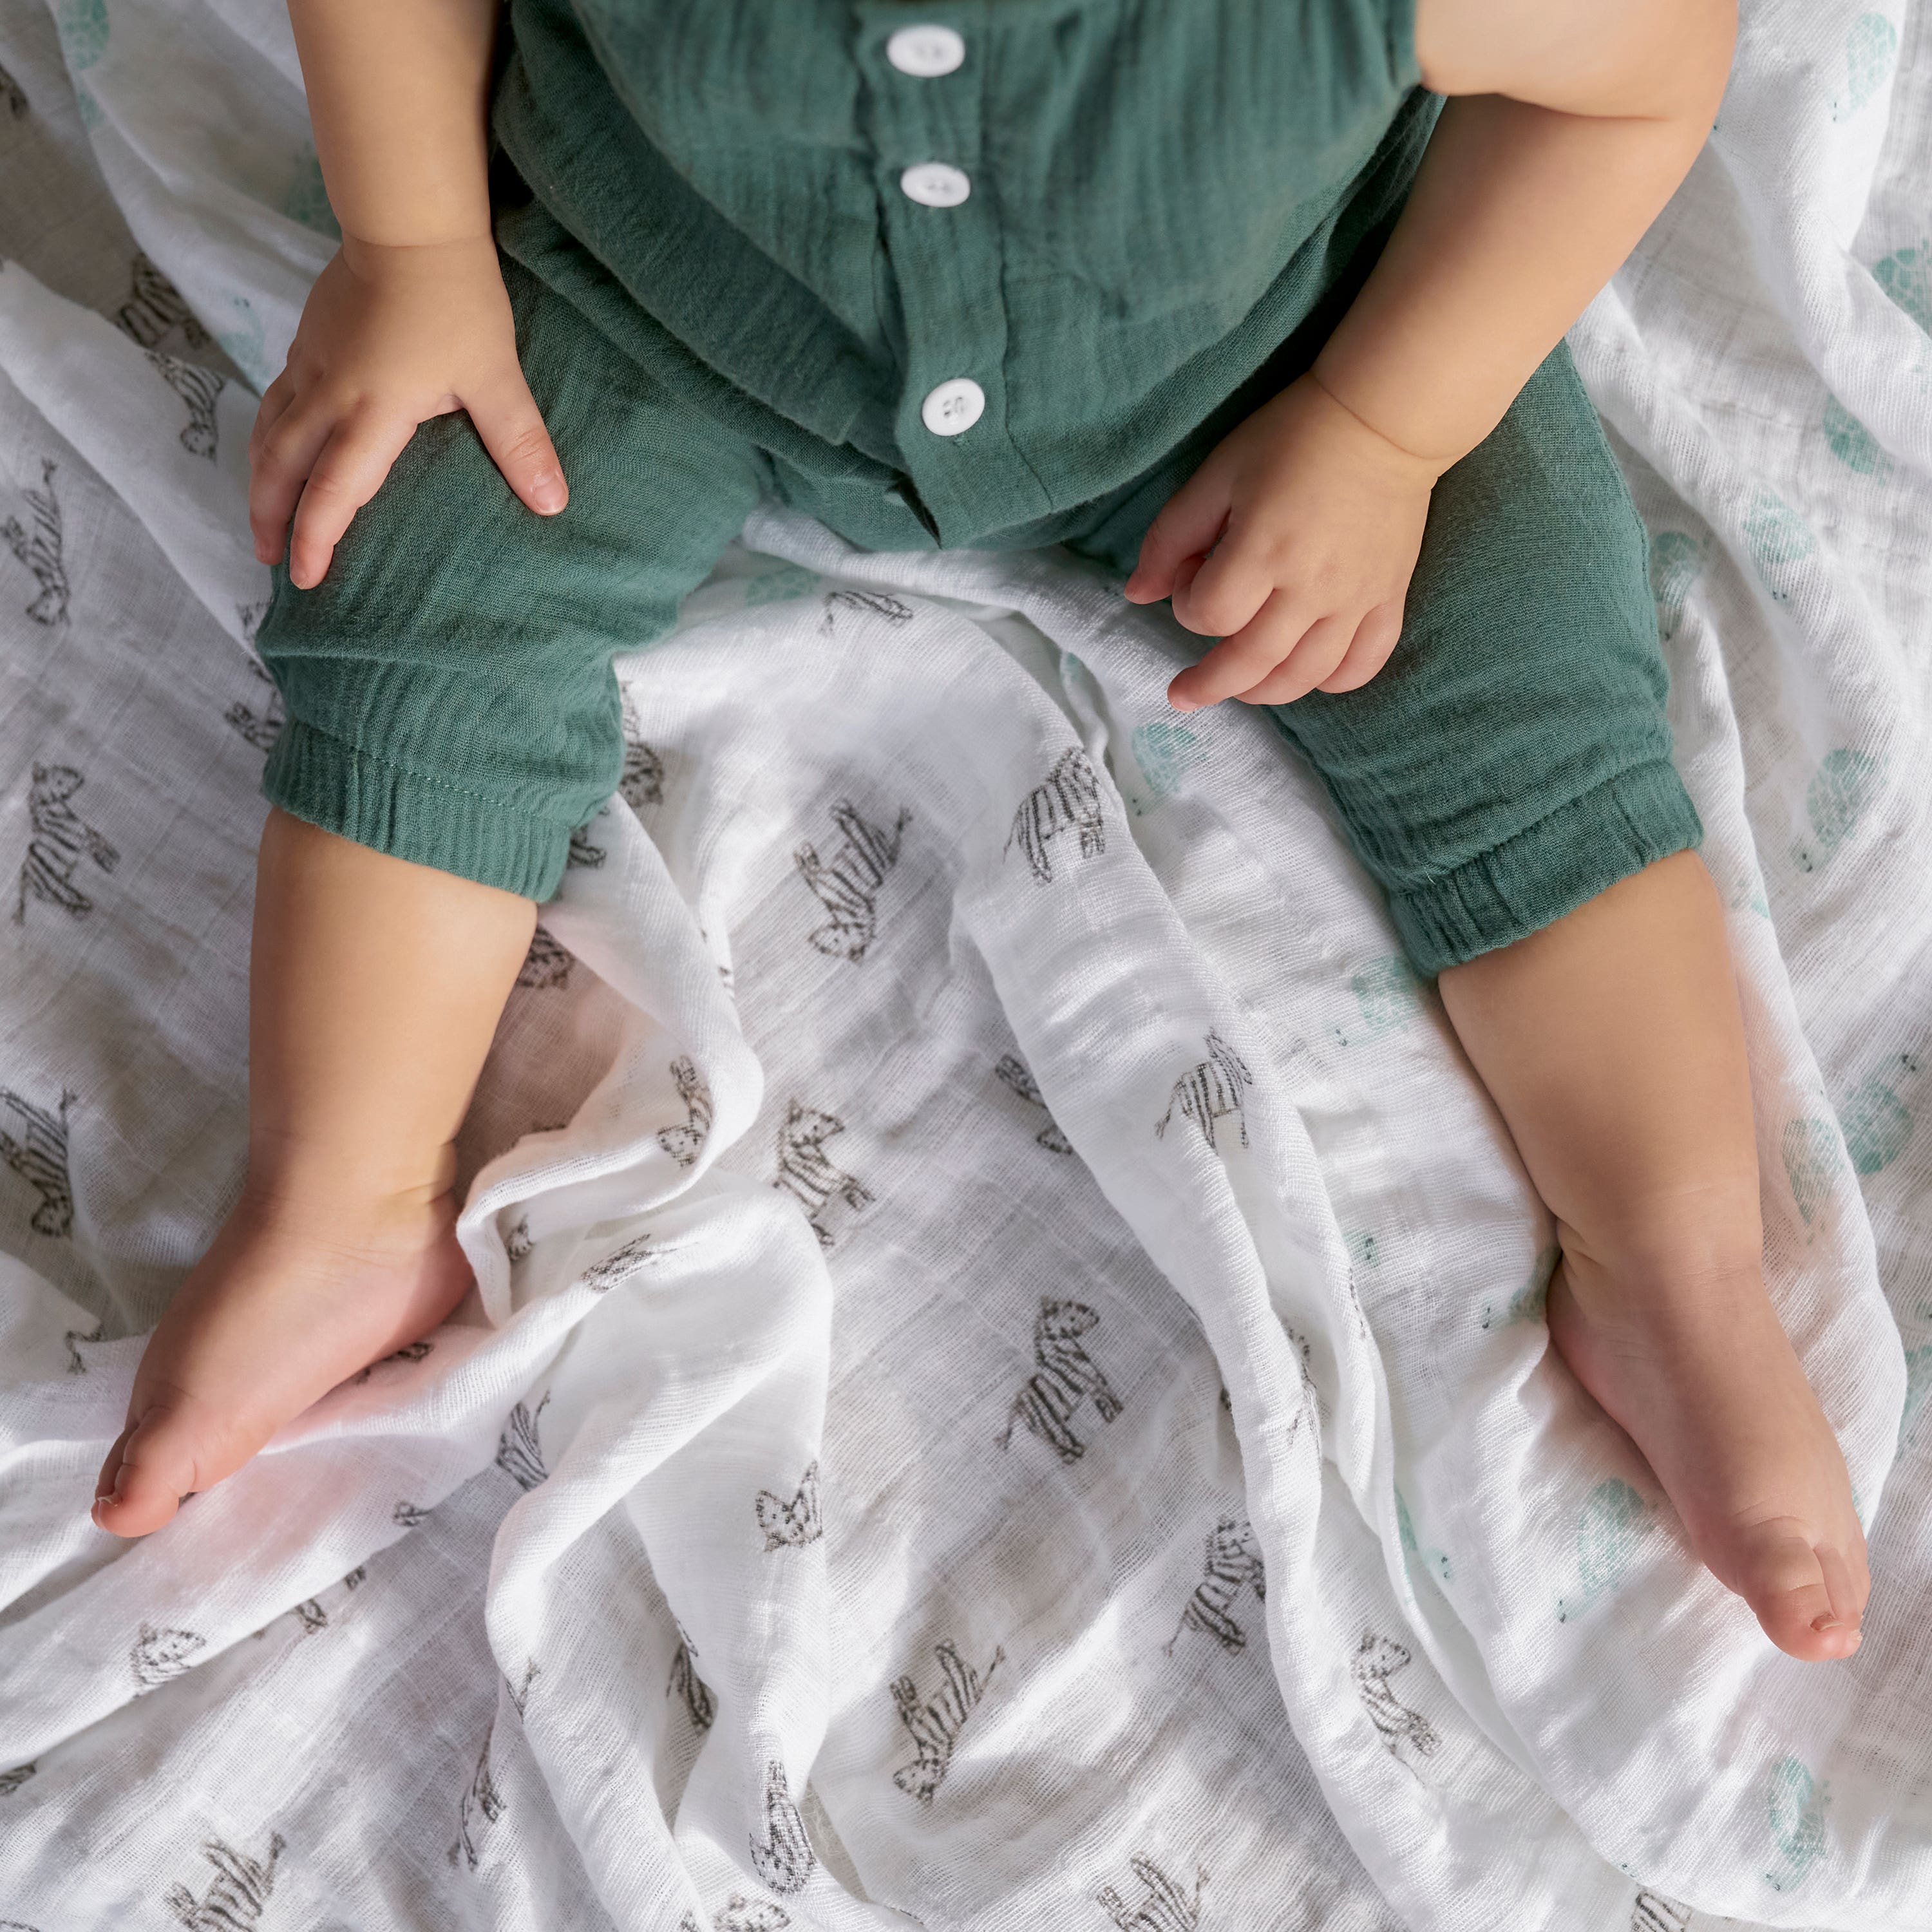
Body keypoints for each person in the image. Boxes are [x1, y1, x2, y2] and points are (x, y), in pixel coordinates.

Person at [89, 0, 1870, 1665]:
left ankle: (1677, 1269)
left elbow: (1642, 72)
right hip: (667, 294)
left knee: (1523, 658)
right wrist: (415, 251)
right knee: (416, 586)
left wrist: (1386, 430)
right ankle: (341, 1206)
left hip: (1277, 334)